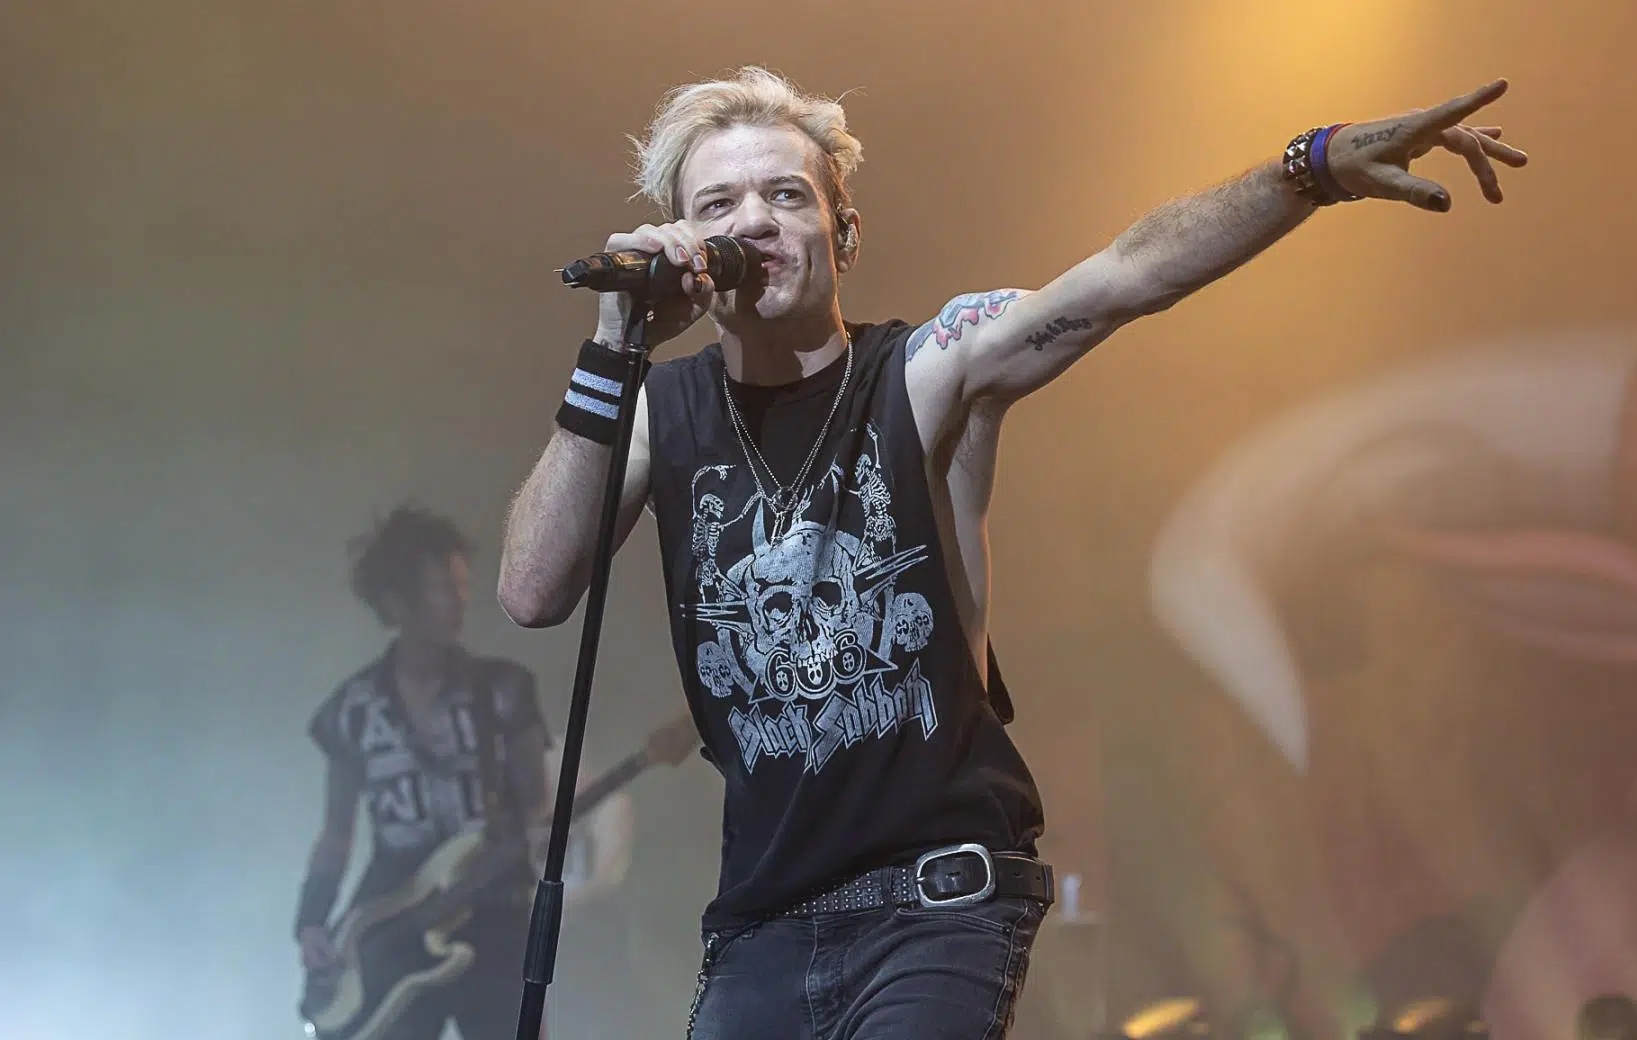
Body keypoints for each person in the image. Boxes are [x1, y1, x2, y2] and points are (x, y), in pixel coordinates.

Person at [496, 66, 1528, 1038]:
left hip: (934, 904)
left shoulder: (927, 372)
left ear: (843, 232)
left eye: (785, 195)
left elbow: (1126, 275)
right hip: (758, 927)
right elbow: (533, 590)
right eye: (717, 204)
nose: (751, 222)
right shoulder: (653, 412)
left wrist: (1309, 168)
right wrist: (612, 346)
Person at [295, 505, 632, 1039]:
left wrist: (543, 838)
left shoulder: (503, 690)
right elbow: (336, 835)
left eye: (461, 585)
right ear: (397, 602)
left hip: (494, 915)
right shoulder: (352, 711)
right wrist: (312, 919)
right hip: (393, 928)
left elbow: (536, 808)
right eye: (441, 589)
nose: (459, 600)